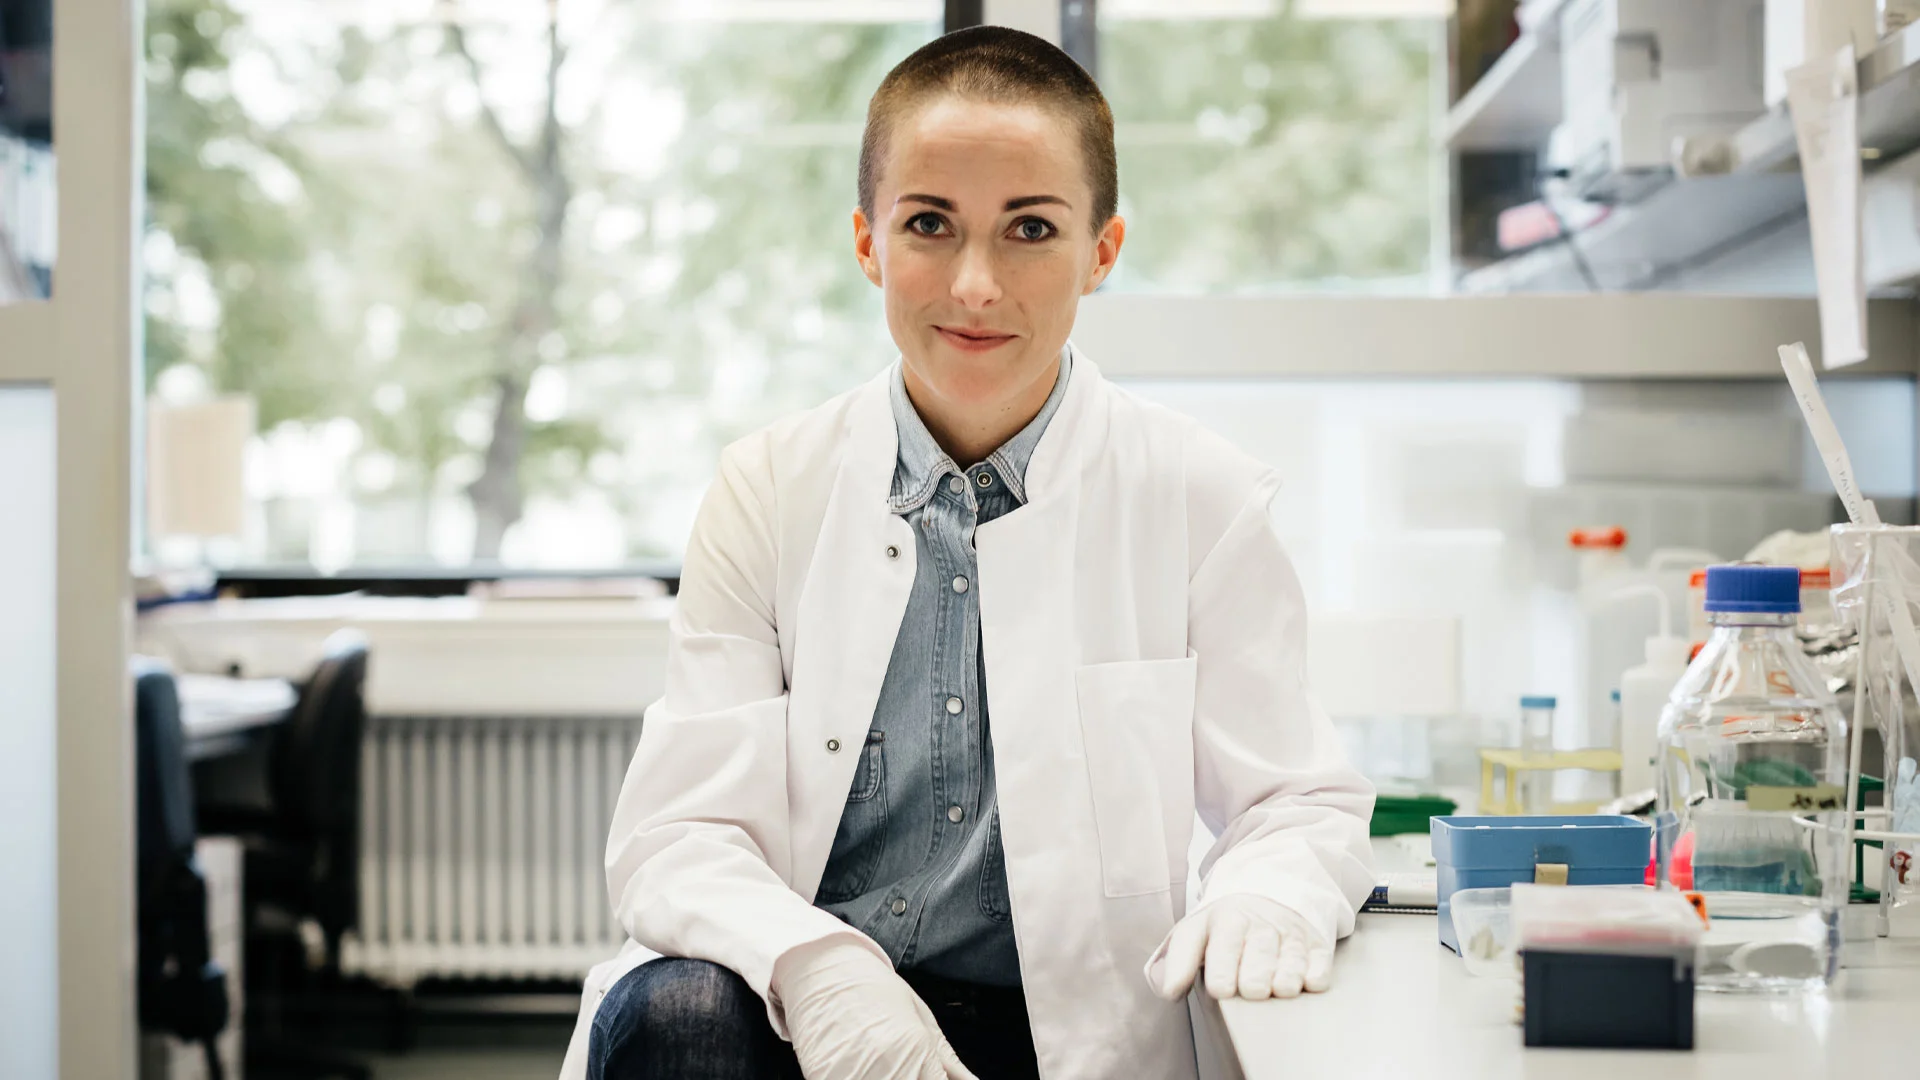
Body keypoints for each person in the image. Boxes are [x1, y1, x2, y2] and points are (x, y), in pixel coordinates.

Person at [558, 25, 1374, 1080]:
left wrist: (1272, 889)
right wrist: (824, 971)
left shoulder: (1197, 495)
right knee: (675, 1016)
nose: (977, 285)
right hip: (801, 1015)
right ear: (868, 244)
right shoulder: (768, 488)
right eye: (931, 224)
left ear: (1103, 252)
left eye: (1030, 228)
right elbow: (678, 834)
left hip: (1067, 1030)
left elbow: (1296, 798)